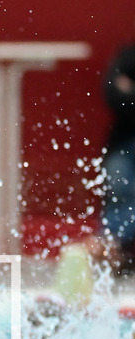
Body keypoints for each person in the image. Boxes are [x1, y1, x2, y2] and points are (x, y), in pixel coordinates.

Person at [87, 42, 135, 275]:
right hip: (125, 141)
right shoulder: (129, 55)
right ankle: (112, 244)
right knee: (119, 178)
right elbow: (112, 94)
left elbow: (124, 95)